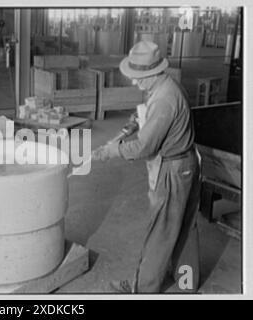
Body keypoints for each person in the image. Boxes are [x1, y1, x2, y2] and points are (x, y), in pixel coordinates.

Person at [91, 41, 201, 293]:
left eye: (139, 77)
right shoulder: (164, 86)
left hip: (173, 170)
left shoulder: (165, 99)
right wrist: (130, 126)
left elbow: (144, 148)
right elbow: (146, 115)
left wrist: (111, 150)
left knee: (160, 232)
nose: (134, 82)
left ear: (154, 72)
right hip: (185, 164)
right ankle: (187, 282)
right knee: (183, 224)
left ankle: (143, 290)